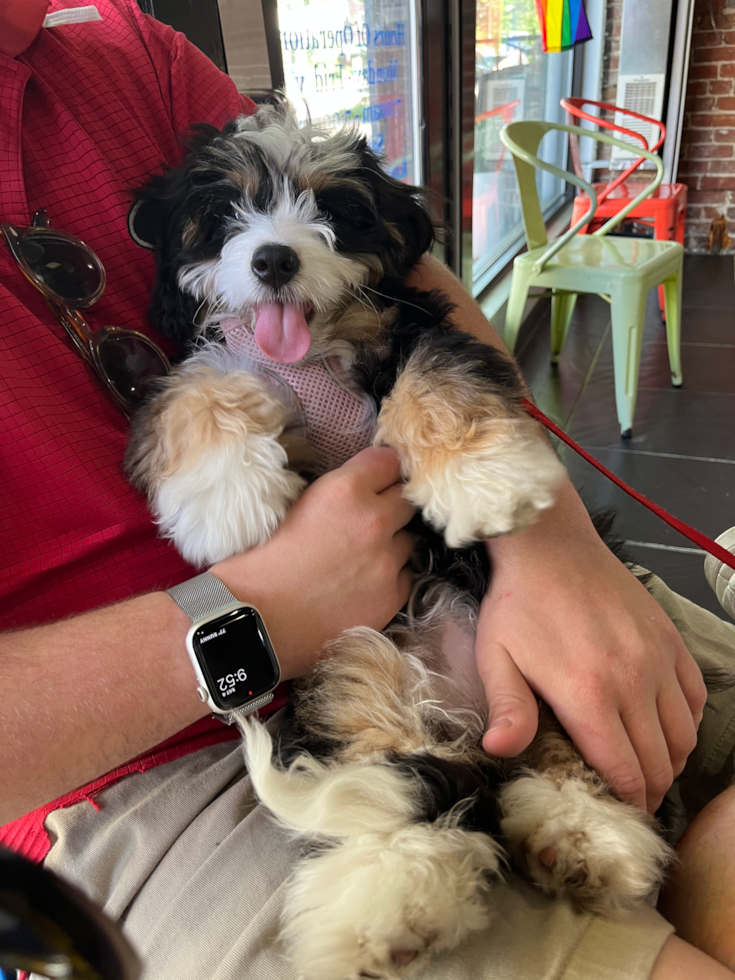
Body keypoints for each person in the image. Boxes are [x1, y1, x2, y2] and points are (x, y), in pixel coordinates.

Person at [0, 1, 734, 977]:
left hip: (444, 567)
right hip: (131, 769)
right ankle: (460, 828)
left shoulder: (127, 52)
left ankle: (578, 806)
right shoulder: (211, 379)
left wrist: (550, 547)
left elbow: (417, 285)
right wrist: (263, 610)